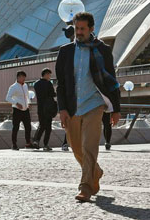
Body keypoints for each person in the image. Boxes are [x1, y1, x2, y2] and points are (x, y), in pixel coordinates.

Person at [56, 12, 121, 202]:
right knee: (76, 148)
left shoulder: (102, 50)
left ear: (92, 29)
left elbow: (112, 81)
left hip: (94, 103)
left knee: (89, 146)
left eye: (83, 29)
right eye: (77, 28)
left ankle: (85, 186)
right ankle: (96, 171)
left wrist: (116, 109)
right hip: (72, 105)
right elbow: (60, 83)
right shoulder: (65, 51)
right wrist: (62, 109)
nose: (79, 32)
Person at [6, 71, 36, 150]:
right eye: (23, 77)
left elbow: (26, 96)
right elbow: (8, 98)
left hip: (26, 110)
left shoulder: (25, 85)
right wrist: (16, 103)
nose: (24, 79)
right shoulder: (13, 87)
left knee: (28, 127)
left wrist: (28, 103)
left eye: (24, 78)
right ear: (18, 77)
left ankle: (28, 143)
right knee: (16, 127)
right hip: (17, 110)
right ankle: (14, 144)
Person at [33, 68, 57, 151]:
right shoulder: (48, 84)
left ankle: (36, 141)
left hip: (40, 108)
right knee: (48, 127)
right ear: (46, 74)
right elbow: (52, 94)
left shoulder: (36, 84)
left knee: (42, 125)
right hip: (48, 108)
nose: (50, 77)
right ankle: (45, 144)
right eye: (49, 75)